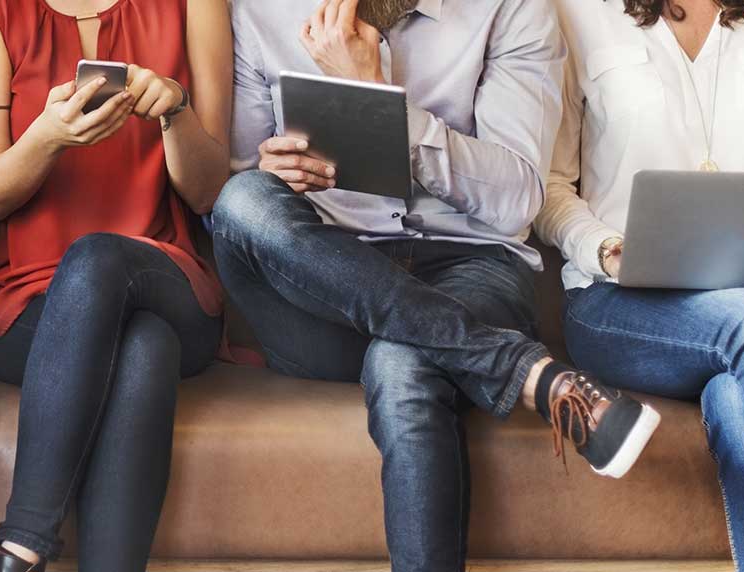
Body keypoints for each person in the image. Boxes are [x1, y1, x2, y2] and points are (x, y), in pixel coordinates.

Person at [214, 0, 667, 570]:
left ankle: (481, 355)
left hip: (469, 265)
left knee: (403, 362)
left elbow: (516, 199)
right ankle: (518, 368)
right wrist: (270, 169)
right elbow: (238, 180)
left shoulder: (511, 8)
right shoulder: (261, 10)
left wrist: (374, 96)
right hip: (324, 290)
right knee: (243, 201)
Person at [0, 0, 236, 568]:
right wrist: (47, 138)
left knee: (98, 258)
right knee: (145, 347)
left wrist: (175, 110)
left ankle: (21, 545)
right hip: (32, 301)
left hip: (165, 275)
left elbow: (208, 193)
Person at [538, 0, 744, 568]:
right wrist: (603, 247)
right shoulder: (575, 11)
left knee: (740, 402)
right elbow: (547, 186)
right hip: (617, 304)